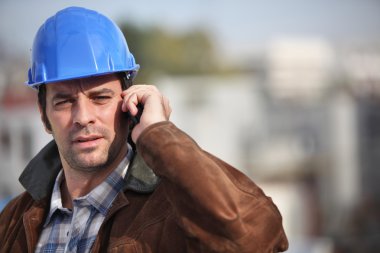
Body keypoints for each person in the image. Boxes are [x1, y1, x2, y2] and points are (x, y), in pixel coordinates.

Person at [0, 6, 288, 253]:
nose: (83, 117)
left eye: (100, 98)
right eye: (64, 102)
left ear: (129, 102)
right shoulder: (13, 220)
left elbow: (257, 240)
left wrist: (158, 133)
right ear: (43, 114)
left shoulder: (176, 210)